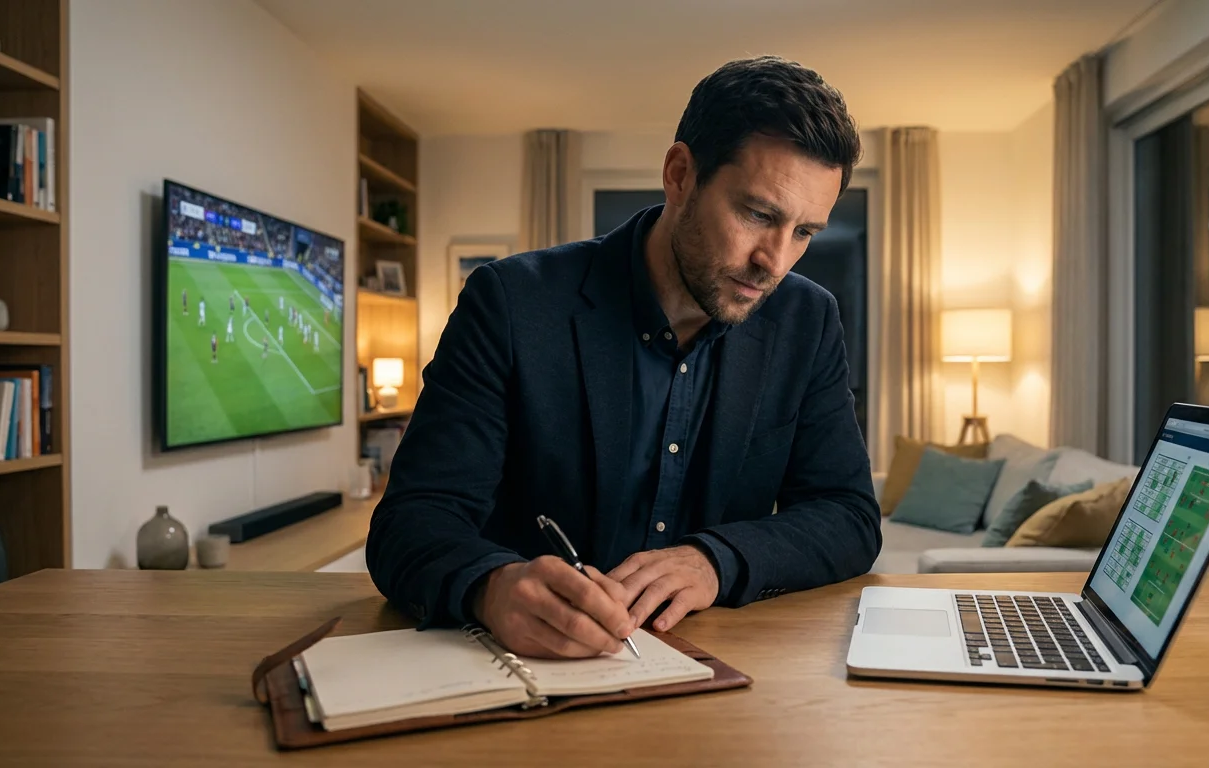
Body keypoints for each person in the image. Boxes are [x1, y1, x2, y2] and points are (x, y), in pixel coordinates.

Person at [367, 56, 878, 660]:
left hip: (721, 668)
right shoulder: (511, 301)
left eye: (804, 232)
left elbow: (847, 514)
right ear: (680, 174)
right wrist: (488, 586)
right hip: (524, 666)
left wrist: (716, 560)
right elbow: (414, 518)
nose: (776, 261)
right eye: (758, 215)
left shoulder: (807, 320)